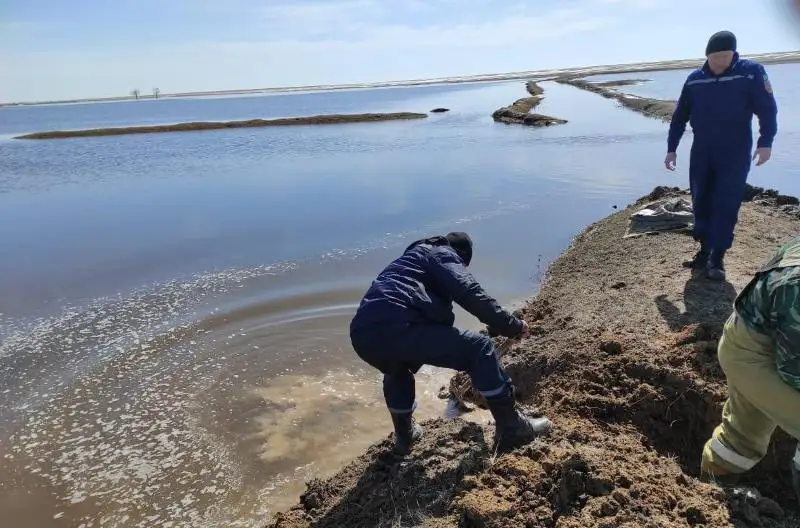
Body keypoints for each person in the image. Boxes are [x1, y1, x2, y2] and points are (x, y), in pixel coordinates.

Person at [349, 232, 552, 456]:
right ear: (461, 255)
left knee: (397, 368)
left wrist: (493, 324)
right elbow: (470, 293)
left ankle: (404, 436)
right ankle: (513, 428)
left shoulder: (408, 262)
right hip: (401, 326)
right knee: (479, 347)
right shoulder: (442, 254)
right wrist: (510, 325)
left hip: (363, 334)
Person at [664, 30, 778, 281]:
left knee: (726, 200)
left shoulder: (751, 73)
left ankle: (718, 256)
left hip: (735, 149)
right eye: (715, 57)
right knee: (701, 198)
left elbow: (767, 110)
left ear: (733, 54)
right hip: (702, 149)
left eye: (725, 56)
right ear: (707, 56)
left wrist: (765, 142)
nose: (719, 62)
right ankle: (704, 250)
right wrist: (672, 148)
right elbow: (679, 116)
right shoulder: (695, 79)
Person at [699, 237, 800, 502]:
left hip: (754, 334)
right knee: (743, 435)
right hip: (753, 353)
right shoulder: (797, 287)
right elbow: (794, 371)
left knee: (743, 435)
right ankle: (710, 492)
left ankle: (715, 480)